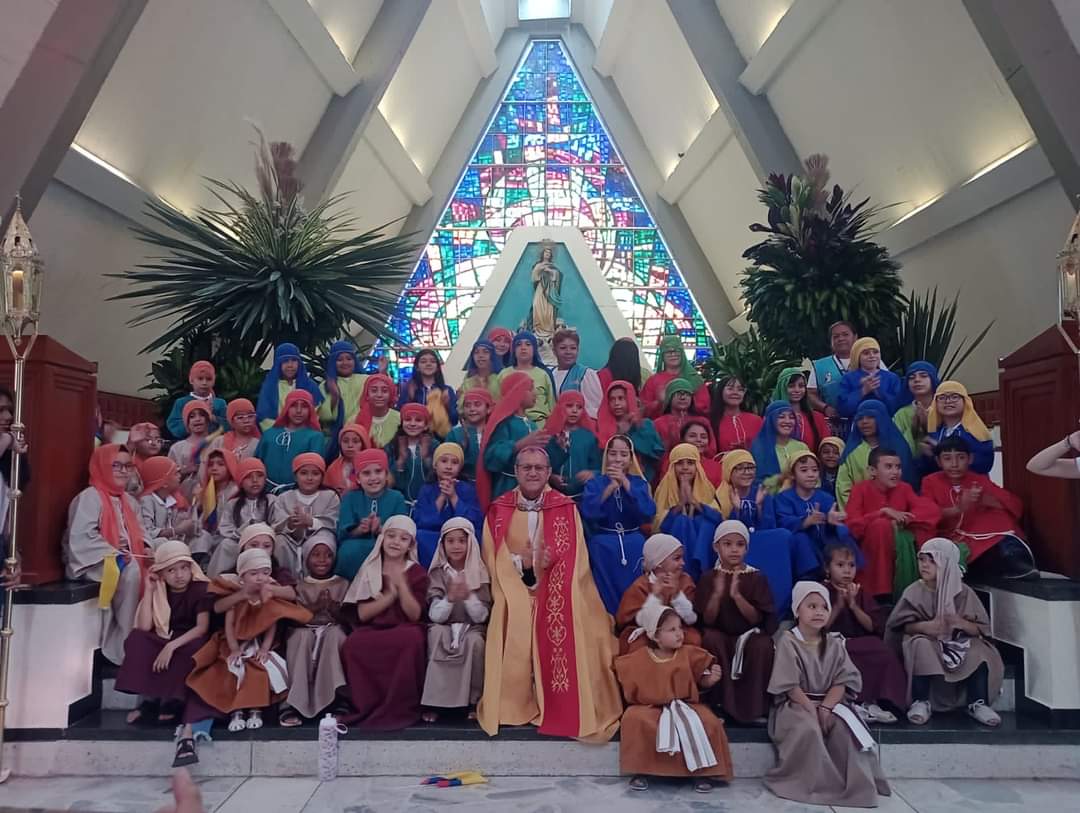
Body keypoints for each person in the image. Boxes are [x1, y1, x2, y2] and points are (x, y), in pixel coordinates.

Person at [476, 447, 622, 741]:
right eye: (526, 467)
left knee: (583, 627)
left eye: (539, 468)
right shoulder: (499, 508)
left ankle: (559, 704)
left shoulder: (564, 506)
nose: (532, 473)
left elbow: (576, 559)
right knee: (515, 617)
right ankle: (515, 705)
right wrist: (524, 567)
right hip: (513, 588)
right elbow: (492, 558)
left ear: (548, 473)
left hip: (560, 588)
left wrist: (548, 567)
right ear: (516, 471)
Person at [765, 581, 890, 807]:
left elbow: (842, 680)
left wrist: (826, 708)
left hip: (830, 704)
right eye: (811, 606)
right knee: (809, 730)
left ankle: (857, 788)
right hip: (796, 704)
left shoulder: (833, 643)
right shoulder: (788, 641)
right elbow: (789, 685)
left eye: (824, 607)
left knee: (845, 732)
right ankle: (819, 787)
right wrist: (812, 709)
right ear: (797, 611)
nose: (819, 612)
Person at [185, 547, 311, 732]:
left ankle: (255, 710)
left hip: (258, 644)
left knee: (259, 671)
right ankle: (237, 711)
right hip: (235, 643)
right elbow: (229, 625)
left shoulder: (267, 596)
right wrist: (234, 648)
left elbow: (271, 623)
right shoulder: (235, 597)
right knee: (233, 671)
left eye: (265, 573)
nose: (260, 578)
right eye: (254, 573)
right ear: (242, 576)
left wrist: (266, 648)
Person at [614, 601, 732, 794]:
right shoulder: (641, 657)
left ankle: (702, 772)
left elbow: (701, 680)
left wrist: (710, 679)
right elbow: (629, 681)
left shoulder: (688, 654)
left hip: (685, 704)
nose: (679, 634)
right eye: (671, 630)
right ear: (655, 636)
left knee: (708, 722)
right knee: (635, 720)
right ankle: (643, 770)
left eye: (680, 628)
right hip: (650, 707)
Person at [885, 538, 1004, 727]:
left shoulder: (964, 592)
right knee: (920, 645)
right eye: (922, 559)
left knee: (980, 650)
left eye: (932, 561)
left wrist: (961, 623)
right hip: (928, 641)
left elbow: (981, 629)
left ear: (947, 563)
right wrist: (924, 627)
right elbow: (899, 627)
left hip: (958, 643)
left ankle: (977, 703)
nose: (924, 565)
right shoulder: (913, 591)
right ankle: (921, 701)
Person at [115, 541, 211, 766]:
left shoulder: (200, 589)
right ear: (162, 573)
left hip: (189, 638)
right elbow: (146, 625)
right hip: (164, 634)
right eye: (171, 570)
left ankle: (171, 701)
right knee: (138, 640)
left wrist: (171, 646)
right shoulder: (159, 590)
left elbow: (201, 628)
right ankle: (150, 701)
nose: (179, 575)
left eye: (184, 568)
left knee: (192, 651)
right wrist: (149, 590)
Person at [339, 515, 429, 729]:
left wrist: (403, 586)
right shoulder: (370, 569)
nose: (396, 542)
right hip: (373, 628)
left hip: (405, 627)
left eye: (403, 538)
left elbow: (415, 614)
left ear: (410, 545)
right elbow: (361, 614)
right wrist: (390, 595)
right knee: (354, 644)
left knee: (411, 640)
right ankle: (365, 705)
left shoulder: (416, 572)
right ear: (382, 538)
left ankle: (400, 707)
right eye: (391, 535)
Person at [63, 444, 147, 665]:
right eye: (115, 465)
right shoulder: (90, 498)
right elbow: (81, 537)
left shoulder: (129, 501)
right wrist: (114, 553)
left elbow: (142, 531)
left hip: (129, 558)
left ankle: (143, 639)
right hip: (95, 561)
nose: (122, 471)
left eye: (127, 466)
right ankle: (123, 647)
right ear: (101, 466)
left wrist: (147, 548)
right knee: (130, 573)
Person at [707, 450, 812, 613]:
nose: (747, 472)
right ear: (729, 471)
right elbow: (726, 530)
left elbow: (770, 525)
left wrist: (759, 507)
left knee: (783, 536)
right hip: (736, 542)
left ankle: (781, 603)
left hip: (761, 537)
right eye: (740, 468)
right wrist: (737, 509)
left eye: (750, 467)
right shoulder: (720, 496)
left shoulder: (761, 492)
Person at [695, 520, 777, 724]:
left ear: (746, 548)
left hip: (749, 634)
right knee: (711, 640)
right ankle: (718, 706)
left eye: (740, 544)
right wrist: (716, 595)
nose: (734, 550)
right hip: (720, 633)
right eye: (727, 544)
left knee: (762, 645)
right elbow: (707, 619)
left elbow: (758, 618)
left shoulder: (756, 577)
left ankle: (755, 709)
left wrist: (737, 597)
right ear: (716, 547)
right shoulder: (708, 577)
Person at [922, 435, 1036, 580]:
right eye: (947, 458)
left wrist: (988, 500)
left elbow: (1015, 505)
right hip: (952, 538)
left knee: (998, 516)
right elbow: (926, 514)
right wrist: (958, 509)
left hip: (984, 538)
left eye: (961, 458)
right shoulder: (930, 482)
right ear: (938, 461)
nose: (954, 464)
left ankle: (1013, 557)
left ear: (970, 459)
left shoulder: (979, 480)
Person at [823, 543, 906, 724]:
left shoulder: (859, 592)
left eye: (851, 565)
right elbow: (818, 627)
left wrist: (853, 606)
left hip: (858, 640)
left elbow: (872, 626)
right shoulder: (821, 591)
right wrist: (838, 606)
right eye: (840, 565)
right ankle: (856, 702)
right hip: (829, 642)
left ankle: (876, 702)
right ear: (827, 568)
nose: (847, 571)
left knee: (880, 649)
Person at [420, 517, 492, 723]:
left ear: (471, 543)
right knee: (436, 636)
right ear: (442, 545)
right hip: (444, 625)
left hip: (473, 627)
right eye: (450, 541)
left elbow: (483, 616)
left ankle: (474, 701)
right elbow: (435, 615)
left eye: (462, 540)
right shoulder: (436, 573)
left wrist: (468, 595)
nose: (456, 546)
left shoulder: (480, 571)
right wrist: (450, 599)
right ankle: (436, 703)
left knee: (475, 643)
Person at [845, 448, 940, 601]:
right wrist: (882, 513)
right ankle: (881, 594)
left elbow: (931, 511)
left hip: (897, 548)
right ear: (872, 470)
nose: (895, 472)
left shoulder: (904, 488)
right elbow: (851, 526)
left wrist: (903, 520)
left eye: (898, 467)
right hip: (869, 551)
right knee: (881, 526)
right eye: (889, 467)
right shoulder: (860, 490)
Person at [279, 530, 350, 727]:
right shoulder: (299, 586)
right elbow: (294, 617)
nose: (322, 560)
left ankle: (335, 700)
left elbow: (349, 618)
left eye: (328, 555)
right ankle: (294, 702)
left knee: (335, 635)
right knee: (300, 639)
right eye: (316, 555)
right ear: (307, 558)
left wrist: (334, 609)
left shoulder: (343, 583)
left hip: (332, 629)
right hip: (305, 629)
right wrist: (316, 607)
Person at [580, 434, 656, 615]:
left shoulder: (639, 483)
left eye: (623, 454)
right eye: (613, 454)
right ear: (606, 457)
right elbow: (588, 513)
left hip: (633, 539)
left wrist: (625, 484)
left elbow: (648, 513)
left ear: (630, 458)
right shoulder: (596, 483)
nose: (618, 459)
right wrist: (610, 488)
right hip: (604, 540)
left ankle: (634, 617)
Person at [614, 533, 701, 654]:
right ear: (659, 562)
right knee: (638, 646)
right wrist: (655, 596)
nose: (683, 563)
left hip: (678, 630)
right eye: (677, 558)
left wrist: (677, 595)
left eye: (682, 558)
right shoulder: (641, 586)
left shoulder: (685, 581)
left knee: (694, 640)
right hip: (649, 632)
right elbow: (628, 620)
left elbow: (691, 619)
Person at [773, 450, 860, 569]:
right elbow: (783, 522)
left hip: (824, 545)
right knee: (801, 538)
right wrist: (805, 521)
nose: (811, 474)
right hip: (801, 549)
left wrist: (832, 522)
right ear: (792, 474)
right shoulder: (784, 498)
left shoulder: (826, 497)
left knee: (843, 533)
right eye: (804, 470)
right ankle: (811, 575)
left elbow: (833, 524)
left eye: (815, 470)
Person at [335, 448, 409, 581]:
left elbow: (403, 531)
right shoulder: (350, 498)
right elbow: (343, 534)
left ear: (386, 474)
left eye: (378, 471)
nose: (373, 478)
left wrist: (381, 530)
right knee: (347, 551)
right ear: (358, 478)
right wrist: (360, 529)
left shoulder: (396, 497)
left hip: (389, 545)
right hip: (357, 544)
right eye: (366, 473)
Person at [653, 444, 722, 579]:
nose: (685, 467)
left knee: (705, 523)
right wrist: (680, 506)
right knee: (681, 522)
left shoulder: (707, 488)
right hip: (673, 544)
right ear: (673, 467)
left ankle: (701, 570)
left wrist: (694, 503)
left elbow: (718, 518)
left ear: (697, 466)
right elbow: (657, 525)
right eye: (680, 463)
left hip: (702, 542)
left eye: (690, 463)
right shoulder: (664, 489)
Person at [477, 372, 545, 507]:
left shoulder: (532, 424)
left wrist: (559, 447)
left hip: (534, 489)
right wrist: (520, 444)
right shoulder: (503, 423)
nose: (535, 393)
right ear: (518, 392)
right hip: (507, 488)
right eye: (530, 389)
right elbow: (491, 459)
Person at [413, 442, 484, 567]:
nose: (449, 466)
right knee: (420, 535)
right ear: (435, 465)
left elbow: (474, 520)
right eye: (444, 461)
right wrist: (442, 496)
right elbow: (421, 521)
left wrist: (453, 496)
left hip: (460, 536)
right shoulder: (426, 489)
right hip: (435, 535)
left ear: (460, 467)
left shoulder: (467, 489)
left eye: (454, 462)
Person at [835, 399, 915, 509]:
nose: (864, 422)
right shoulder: (851, 452)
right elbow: (843, 487)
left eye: (870, 417)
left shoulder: (898, 448)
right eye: (860, 418)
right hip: (859, 515)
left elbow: (907, 483)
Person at [269, 453, 341, 576]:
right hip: (291, 541)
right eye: (304, 473)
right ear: (295, 476)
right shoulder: (284, 497)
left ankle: (316, 580)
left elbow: (334, 523)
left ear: (322, 477)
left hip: (319, 539)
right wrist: (290, 523)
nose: (309, 478)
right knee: (280, 541)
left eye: (315, 473)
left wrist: (311, 522)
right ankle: (288, 579)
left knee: (323, 541)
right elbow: (276, 524)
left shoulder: (330, 496)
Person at [210, 459, 276, 577]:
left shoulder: (272, 500)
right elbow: (225, 527)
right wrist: (243, 532)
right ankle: (217, 581)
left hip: (265, 542)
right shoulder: (233, 504)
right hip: (239, 541)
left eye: (259, 476)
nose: (255, 481)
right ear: (240, 481)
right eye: (249, 477)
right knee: (226, 544)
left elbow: (277, 523)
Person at [918, 381, 994, 476]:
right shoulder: (934, 433)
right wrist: (928, 456)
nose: (948, 401)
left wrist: (941, 449)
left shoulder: (977, 431)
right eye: (942, 398)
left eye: (954, 397)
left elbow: (984, 465)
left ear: (965, 401)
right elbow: (927, 469)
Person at [254, 390, 326, 490]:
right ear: (286, 408)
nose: (298, 410)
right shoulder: (269, 434)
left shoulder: (315, 437)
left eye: (304, 406)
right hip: (266, 492)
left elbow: (316, 469)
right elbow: (257, 463)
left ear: (310, 410)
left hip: (299, 493)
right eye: (293, 405)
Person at [595, 380, 664, 482]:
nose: (616, 403)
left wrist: (629, 432)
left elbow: (655, 453)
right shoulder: (601, 427)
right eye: (612, 399)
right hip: (610, 482)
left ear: (630, 398)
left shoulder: (645, 425)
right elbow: (599, 459)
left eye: (621, 398)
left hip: (642, 482)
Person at [544, 389, 600, 500]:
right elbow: (543, 463)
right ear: (560, 407)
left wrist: (592, 473)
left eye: (579, 407)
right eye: (569, 406)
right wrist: (551, 477)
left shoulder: (589, 437)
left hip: (583, 496)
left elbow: (598, 465)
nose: (575, 411)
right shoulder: (550, 435)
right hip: (554, 496)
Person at [255, 343, 323, 431]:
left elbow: (315, 414)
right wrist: (283, 433)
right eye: (285, 361)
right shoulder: (269, 386)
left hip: (304, 435)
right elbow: (264, 417)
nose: (290, 365)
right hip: (277, 435)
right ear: (278, 363)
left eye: (294, 360)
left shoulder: (309, 385)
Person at [639, 335, 709, 420]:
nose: (673, 354)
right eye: (668, 352)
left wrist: (686, 402)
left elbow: (705, 407)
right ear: (662, 356)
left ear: (682, 353)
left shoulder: (695, 378)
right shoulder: (653, 381)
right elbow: (642, 411)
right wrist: (659, 403)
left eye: (677, 351)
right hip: (660, 428)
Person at [190, 448, 240, 566]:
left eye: (220, 464)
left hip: (228, 536)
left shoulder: (236, 491)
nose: (214, 468)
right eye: (210, 464)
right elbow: (196, 524)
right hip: (208, 537)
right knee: (202, 537)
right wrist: (198, 504)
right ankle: (198, 568)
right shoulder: (204, 490)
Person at [807, 320, 857, 435]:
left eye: (845, 334)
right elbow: (810, 393)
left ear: (855, 337)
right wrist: (825, 408)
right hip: (833, 426)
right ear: (831, 341)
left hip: (864, 422)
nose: (841, 339)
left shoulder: (869, 359)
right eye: (836, 336)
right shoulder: (820, 366)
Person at [749, 401, 810, 492]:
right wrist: (780, 479)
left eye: (791, 417)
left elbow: (812, 474)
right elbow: (754, 482)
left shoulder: (801, 447)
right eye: (781, 417)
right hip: (769, 501)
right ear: (771, 420)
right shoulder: (759, 449)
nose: (787, 421)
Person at [837, 337, 905, 418]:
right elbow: (843, 410)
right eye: (866, 353)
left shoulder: (892, 378)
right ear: (857, 356)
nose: (872, 356)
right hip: (858, 425)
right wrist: (863, 391)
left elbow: (898, 408)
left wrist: (879, 391)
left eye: (875, 352)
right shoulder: (848, 378)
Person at [398, 348, 458, 439]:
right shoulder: (409, 389)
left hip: (441, 439)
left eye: (432, 361)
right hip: (415, 438)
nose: (428, 364)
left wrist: (447, 406)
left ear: (438, 367)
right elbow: (400, 416)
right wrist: (410, 399)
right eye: (423, 361)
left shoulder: (447, 390)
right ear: (417, 367)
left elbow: (455, 420)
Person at [318, 341, 366, 453]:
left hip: (362, 435)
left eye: (349, 358)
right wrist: (334, 396)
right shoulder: (325, 385)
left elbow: (379, 400)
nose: (345, 363)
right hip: (336, 438)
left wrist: (383, 373)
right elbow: (324, 418)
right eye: (340, 360)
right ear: (333, 362)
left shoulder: (366, 380)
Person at [497, 331, 556, 424]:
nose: (523, 348)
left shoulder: (543, 374)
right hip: (510, 425)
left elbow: (552, 404)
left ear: (534, 349)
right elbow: (497, 403)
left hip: (540, 425)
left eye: (528, 344)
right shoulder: (504, 374)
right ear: (514, 350)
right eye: (518, 345)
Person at [138, 456, 195, 549]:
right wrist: (177, 530)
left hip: (172, 542)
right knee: (162, 542)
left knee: (202, 536)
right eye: (175, 473)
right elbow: (148, 532)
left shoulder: (170, 499)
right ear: (163, 483)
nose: (179, 476)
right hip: (156, 546)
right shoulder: (147, 501)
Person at [386, 403, 435, 508]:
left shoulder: (434, 445)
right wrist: (401, 461)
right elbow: (389, 483)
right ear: (402, 423)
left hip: (429, 504)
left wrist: (426, 458)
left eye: (418, 420)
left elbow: (437, 476)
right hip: (401, 505)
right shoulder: (392, 447)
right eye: (408, 419)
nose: (412, 424)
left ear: (426, 425)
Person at [166, 361, 228, 440]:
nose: (204, 383)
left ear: (214, 381)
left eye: (209, 379)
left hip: (215, 445)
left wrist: (213, 418)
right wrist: (192, 422)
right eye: (200, 379)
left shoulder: (220, 403)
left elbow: (230, 426)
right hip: (188, 446)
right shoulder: (181, 402)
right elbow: (174, 427)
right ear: (191, 380)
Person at [551, 328, 603, 418]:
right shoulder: (550, 374)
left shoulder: (585, 374)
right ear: (554, 351)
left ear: (578, 350)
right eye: (563, 348)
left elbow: (595, 408)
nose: (568, 352)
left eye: (573, 348)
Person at [167, 402, 215, 501]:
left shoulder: (218, 443)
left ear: (208, 419)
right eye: (192, 416)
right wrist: (185, 470)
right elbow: (167, 478)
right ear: (187, 422)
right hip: (184, 498)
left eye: (202, 415)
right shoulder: (177, 448)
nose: (197, 419)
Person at [774, 368, 828, 453]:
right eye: (791, 386)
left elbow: (826, 448)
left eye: (801, 386)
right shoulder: (772, 418)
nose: (797, 390)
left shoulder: (817, 417)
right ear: (782, 388)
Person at [659, 417, 723, 487]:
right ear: (683, 439)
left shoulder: (716, 467)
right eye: (692, 436)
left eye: (703, 437)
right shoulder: (671, 464)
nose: (699, 440)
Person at [892, 362, 940, 455]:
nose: (917, 380)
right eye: (911, 377)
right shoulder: (901, 414)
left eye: (923, 376)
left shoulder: (943, 408)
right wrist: (913, 430)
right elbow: (894, 444)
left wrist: (927, 426)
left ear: (933, 379)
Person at [710, 376, 763, 455]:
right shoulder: (711, 421)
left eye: (740, 389)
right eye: (730, 388)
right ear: (720, 391)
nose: (735, 392)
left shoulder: (756, 420)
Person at [654, 378, 708, 452]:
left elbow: (711, 449)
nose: (683, 398)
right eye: (678, 394)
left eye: (687, 394)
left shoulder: (703, 421)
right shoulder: (658, 423)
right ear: (669, 397)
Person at [356, 373, 401, 450]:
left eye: (384, 391)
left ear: (391, 394)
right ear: (367, 395)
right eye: (374, 390)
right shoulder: (354, 420)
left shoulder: (400, 419)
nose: (379, 395)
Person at [324, 423, 372, 495]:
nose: (350, 445)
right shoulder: (333, 468)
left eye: (355, 441)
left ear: (363, 444)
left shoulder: (371, 466)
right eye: (345, 441)